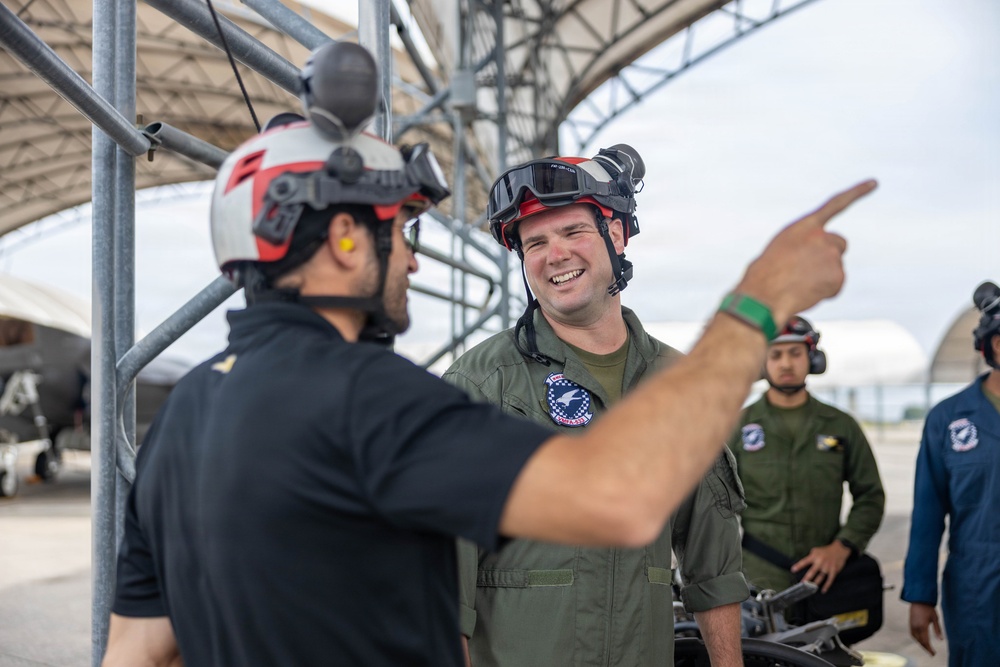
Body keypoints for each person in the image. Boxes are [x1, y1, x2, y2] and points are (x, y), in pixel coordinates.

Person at [102, 42, 877, 667]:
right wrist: (758, 299)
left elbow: (138, 648)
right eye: (398, 233)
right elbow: (621, 497)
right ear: (343, 240)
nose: (415, 263)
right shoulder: (372, 399)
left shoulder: (185, 415)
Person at [442, 147, 748, 667]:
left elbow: (713, 562)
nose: (554, 255)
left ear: (618, 235)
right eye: (534, 242)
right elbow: (440, 576)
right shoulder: (481, 385)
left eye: (573, 232)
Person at [728, 316, 885, 601]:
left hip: (826, 578)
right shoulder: (736, 428)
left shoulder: (841, 425)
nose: (786, 363)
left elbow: (871, 496)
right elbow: (712, 504)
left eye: (795, 353)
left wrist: (843, 547)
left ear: (812, 359)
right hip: (755, 578)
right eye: (775, 354)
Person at [902, 281, 1000, 667]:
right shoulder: (948, 419)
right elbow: (927, 515)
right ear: (989, 343)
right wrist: (920, 595)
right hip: (976, 584)